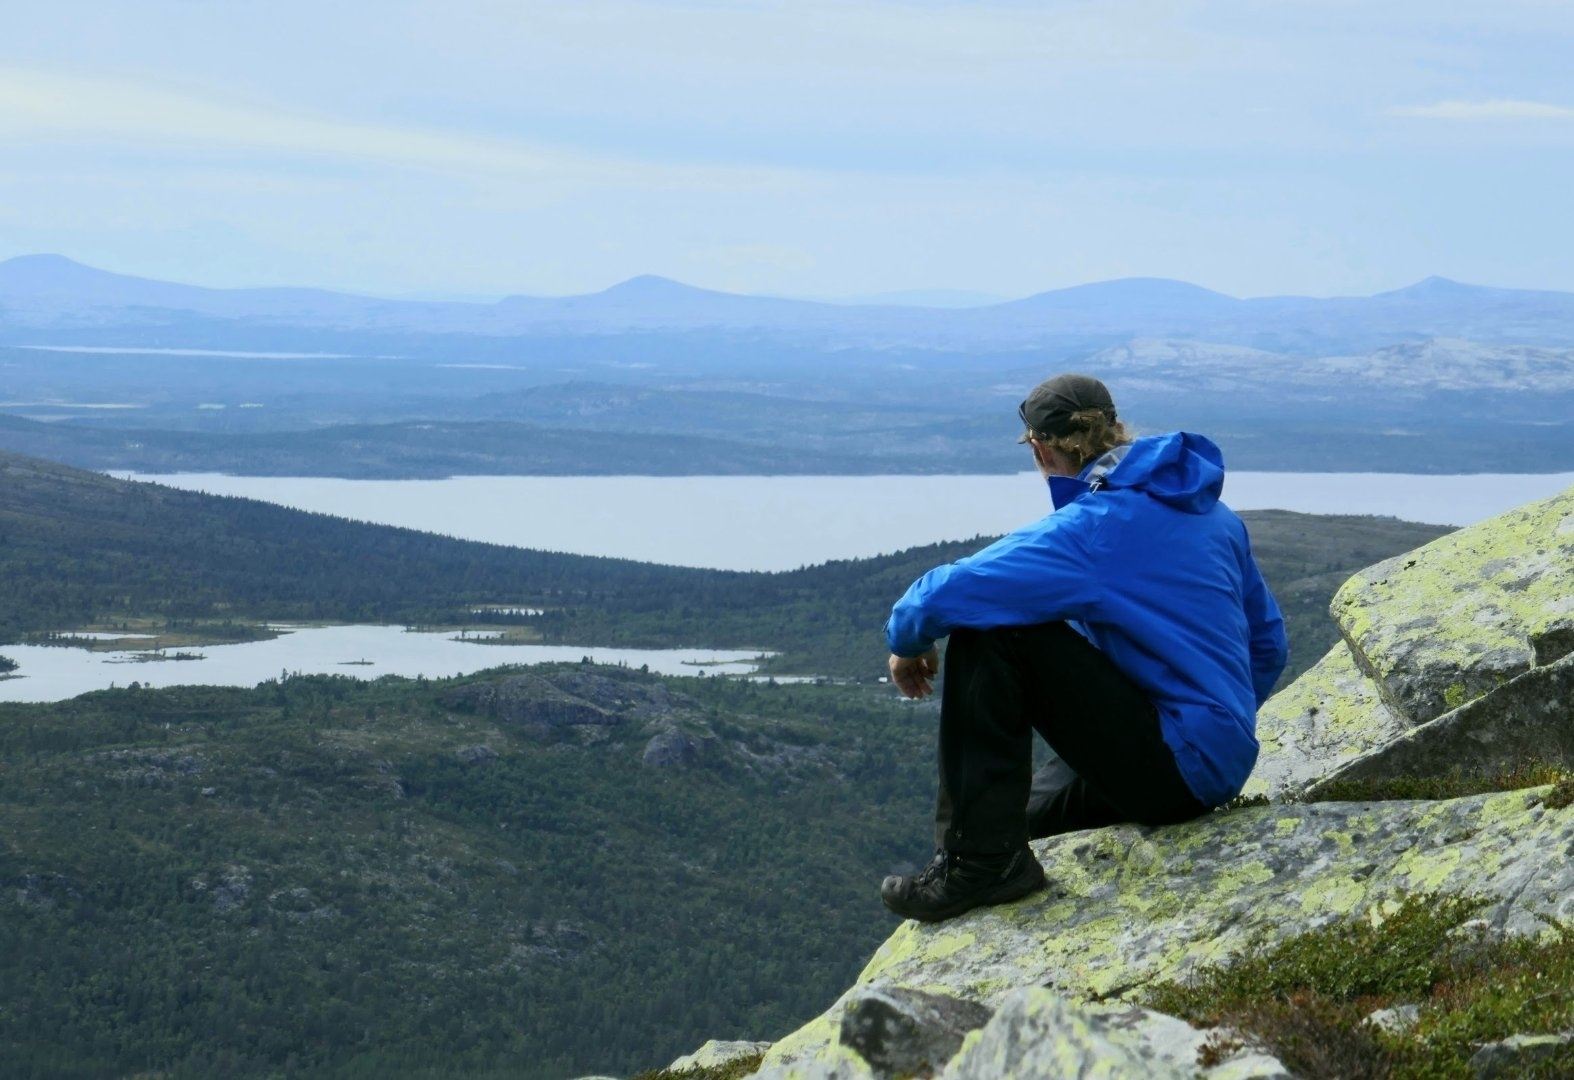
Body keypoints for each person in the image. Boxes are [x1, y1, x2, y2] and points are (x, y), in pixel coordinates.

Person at [879, 373, 1288, 922]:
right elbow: (1267, 643)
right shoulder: (1212, 513)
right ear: (1116, 429)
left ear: (1042, 449)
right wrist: (1219, 725)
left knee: (990, 629)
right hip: (1207, 753)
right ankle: (992, 848)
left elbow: (950, 589)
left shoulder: (1096, 526)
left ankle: (980, 864)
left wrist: (908, 642)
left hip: (1175, 763)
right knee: (1014, 819)